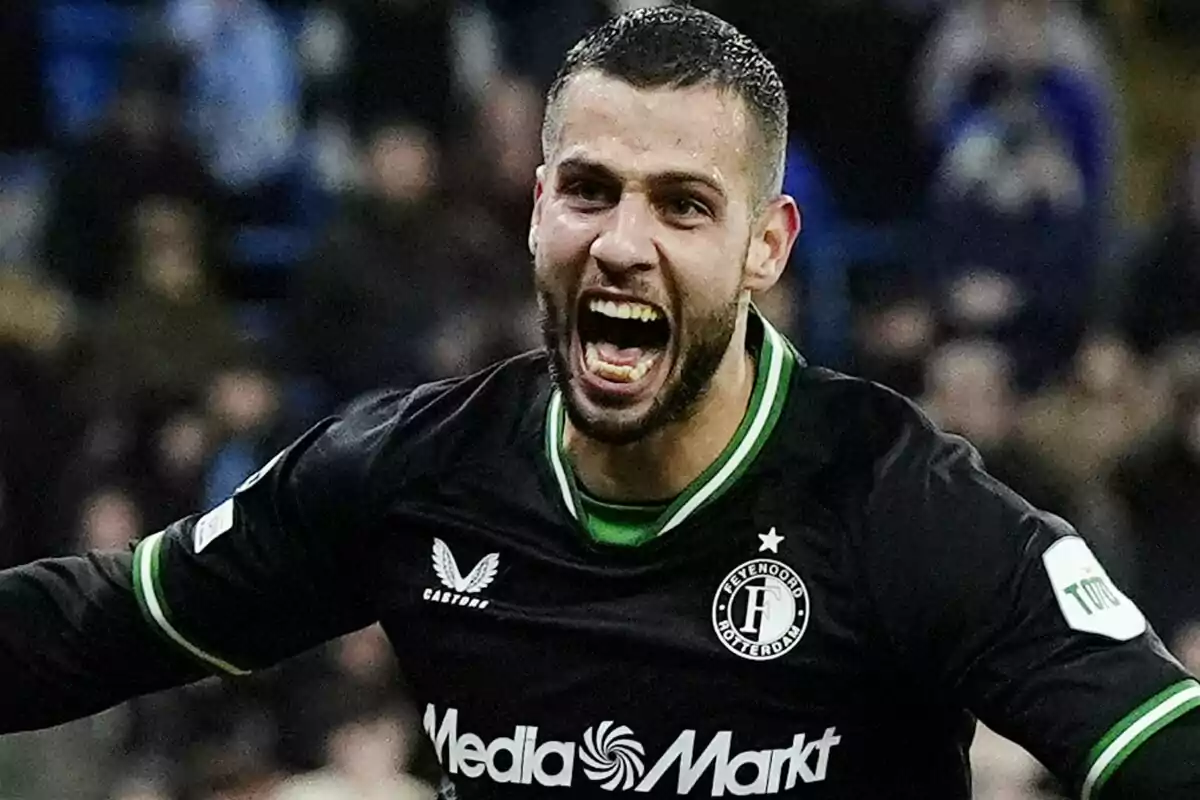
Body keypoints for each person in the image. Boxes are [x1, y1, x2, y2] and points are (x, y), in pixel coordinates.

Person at [1, 7, 1198, 799]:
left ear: (765, 247)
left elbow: (1155, 745)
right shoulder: (412, 470)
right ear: (534, 211)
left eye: (683, 205)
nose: (623, 242)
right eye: (589, 190)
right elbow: (99, 620)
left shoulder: (899, 504)